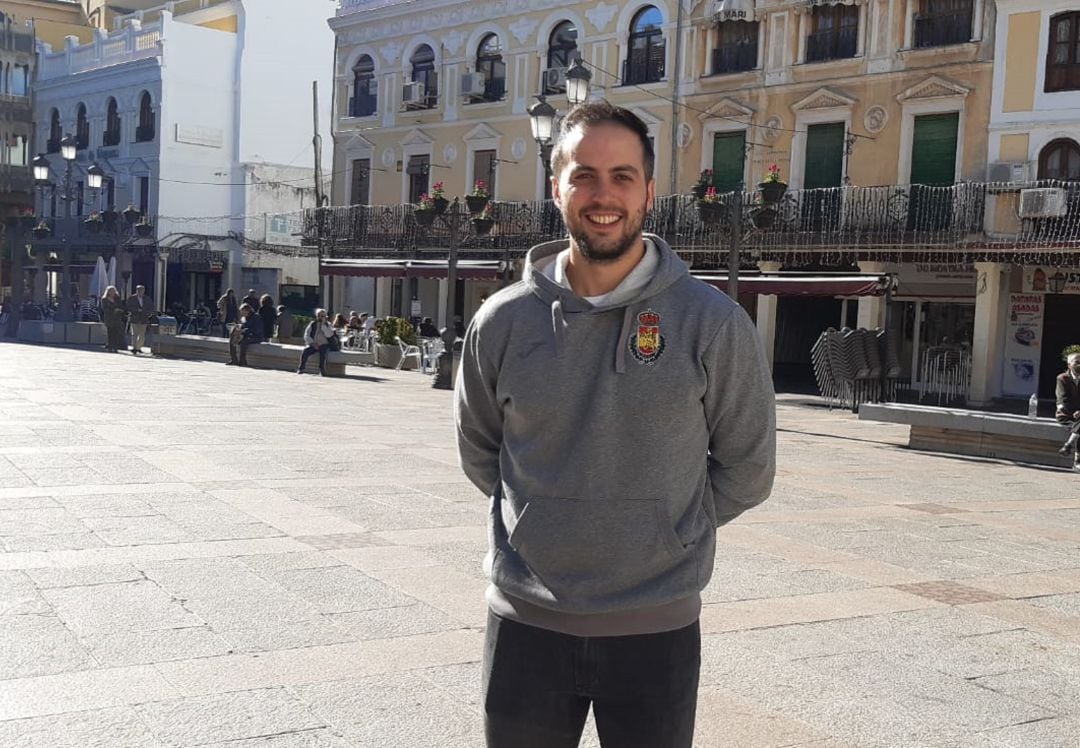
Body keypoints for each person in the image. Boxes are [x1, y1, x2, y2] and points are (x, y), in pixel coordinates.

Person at [455, 101, 776, 748]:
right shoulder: (501, 322)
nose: (604, 195)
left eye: (623, 176)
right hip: (526, 629)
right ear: (557, 187)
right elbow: (482, 453)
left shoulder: (711, 323)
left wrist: (663, 533)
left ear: (649, 191)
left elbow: (748, 468)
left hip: (655, 634)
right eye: (584, 175)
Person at [1056, 351, 1080, 469]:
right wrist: (1074, 412)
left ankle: (1068, 445)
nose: (1079, 364)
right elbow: (1063, 399)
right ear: (1069, 364)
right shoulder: (1062, 379)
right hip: (1066, 415)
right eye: (1077, 361)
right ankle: (1077, 461)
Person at [297, 308, 335, 376]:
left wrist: (323, 325)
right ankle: (301, 368)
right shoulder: (312, 324)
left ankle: (322, 370)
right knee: (305, 351)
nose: (320, 317)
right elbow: (306, 335)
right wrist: (312, 343)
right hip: (314, 344)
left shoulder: (328, 325)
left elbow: (329, 335)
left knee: (323, 353)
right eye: (319, 315)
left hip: (324, 344)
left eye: (322, 316)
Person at [125, 284, 155, 355]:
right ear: (137, 291)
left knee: (142, 335)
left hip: (143, 319)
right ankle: (134, 348)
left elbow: (151, 307)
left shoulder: (147, 299)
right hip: (134, 318)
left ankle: (138, 347)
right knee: (134, 334)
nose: (141, 292)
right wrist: (136, 310)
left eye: (142, 290)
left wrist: (149, 314)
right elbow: (128, 307)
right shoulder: (132, 298)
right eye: (139, 290)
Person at [101, 285, 125, 352]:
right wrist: (113, 310)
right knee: (110, 333)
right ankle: (110, 346)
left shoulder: (117, 299)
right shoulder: (104, 299)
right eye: (111, 291)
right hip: (109, 318)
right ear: (108, 292)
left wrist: (119, 310)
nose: (112, 292)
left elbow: (121, 307)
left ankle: (115, 347)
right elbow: (104, 308)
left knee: (116, 333)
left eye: (114, 291)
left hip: (117, 318)